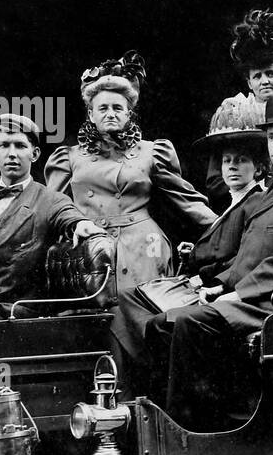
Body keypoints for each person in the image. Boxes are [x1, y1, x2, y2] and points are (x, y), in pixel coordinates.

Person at [144, 91, 273, 430]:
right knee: (159, 324)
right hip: (259, 295)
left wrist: (237, 294)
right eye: (271, 137)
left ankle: (198, 428)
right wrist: (219, 286)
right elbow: (251, 254)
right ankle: (167, 422)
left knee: (193, 324)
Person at [111, 98, 269, 386]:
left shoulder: (256, 202)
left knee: (150, 316)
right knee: (128, 298)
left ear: (258, 169)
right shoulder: (236, 202)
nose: (232, 167)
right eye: (227, 161)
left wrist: (203, 279)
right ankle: (160, 356)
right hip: (200, 282)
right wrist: (195, 252)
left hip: (214, 289)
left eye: (241, 161)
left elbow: (244, 256)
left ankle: (160, 361)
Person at [45, 52, 216, 303]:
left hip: (143, 246)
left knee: (142, 314)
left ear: (128, 115)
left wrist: (229, 224)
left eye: (118, 108)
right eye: (103, 108)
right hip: (91, 248)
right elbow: (51, 209)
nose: (110, 113)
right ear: (91, 115)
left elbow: (188, 202)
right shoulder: (68, 158)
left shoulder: (151, 152)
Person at [0, 114, 106, 351]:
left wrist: (81, 224)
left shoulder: (49, 199)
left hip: (9, 308)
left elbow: (68, 215)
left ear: (35, 154)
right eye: (5, 145)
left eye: (20, 146)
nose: (12, 154)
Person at [203, 9, 273, 208]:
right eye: (257, 76)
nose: (265, 81)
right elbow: (215, 182)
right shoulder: (233, 113)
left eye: (270, 73)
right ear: (249, 83)